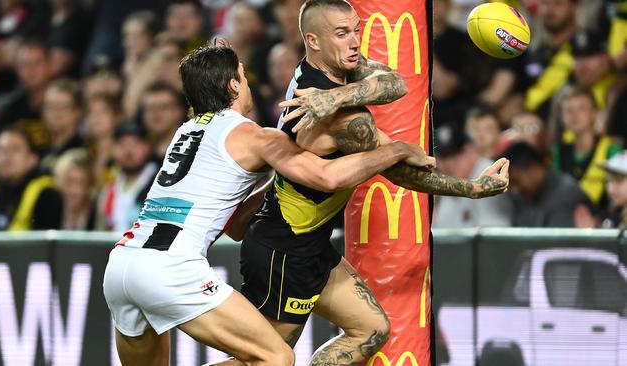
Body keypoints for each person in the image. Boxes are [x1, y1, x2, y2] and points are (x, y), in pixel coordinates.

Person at [103, 43, 432, 366]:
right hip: (169, 270)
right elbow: (329, 177)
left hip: (121, 265)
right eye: (244, 78)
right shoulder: (255, 137)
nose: (247, 86)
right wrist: (397, 150)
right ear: (234, 84)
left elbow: (233, 223)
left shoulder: (184, 133)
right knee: (276, 357)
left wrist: (279, 185)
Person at [234, 1, 510, 364]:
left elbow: (396, 83)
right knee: (265, 361)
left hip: (310, 242)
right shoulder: (345, 121)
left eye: (355, 31)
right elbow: (402, 174)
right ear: (313, 40)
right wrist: (470, 187)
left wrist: (338, 96)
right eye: (342, 33)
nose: (354, 42)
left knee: (371, 329)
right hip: (283, 250)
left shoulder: (326, 75)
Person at [0, 127, 63, 230]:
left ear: (32, 159)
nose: (7, 156)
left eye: (15, 149)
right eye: (1, 149)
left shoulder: (46, 195)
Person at [504, 142, 595, 227]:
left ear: (534, 169)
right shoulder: (524, 197)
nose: (515, 190)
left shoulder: (565, 194)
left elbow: (557, 241)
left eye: (517, 182)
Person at [96, 121, 158, 233]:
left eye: (134, 144)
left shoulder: (160, 182)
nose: (128, 151)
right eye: (122, 145)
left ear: (147, 147)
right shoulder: (109, 189)